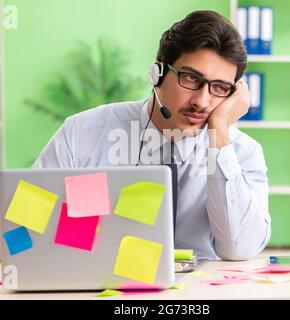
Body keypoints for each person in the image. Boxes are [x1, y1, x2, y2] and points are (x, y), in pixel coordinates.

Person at [33, 10, 271, 261]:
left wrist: (219, 133)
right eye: (190, 78)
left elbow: (240, 249)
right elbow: (31, 223)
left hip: (202, 292)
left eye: (219, 88)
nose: (202, 101)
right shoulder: (82, 134)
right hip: (99, 283)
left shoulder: (242, 152)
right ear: (157, 73)